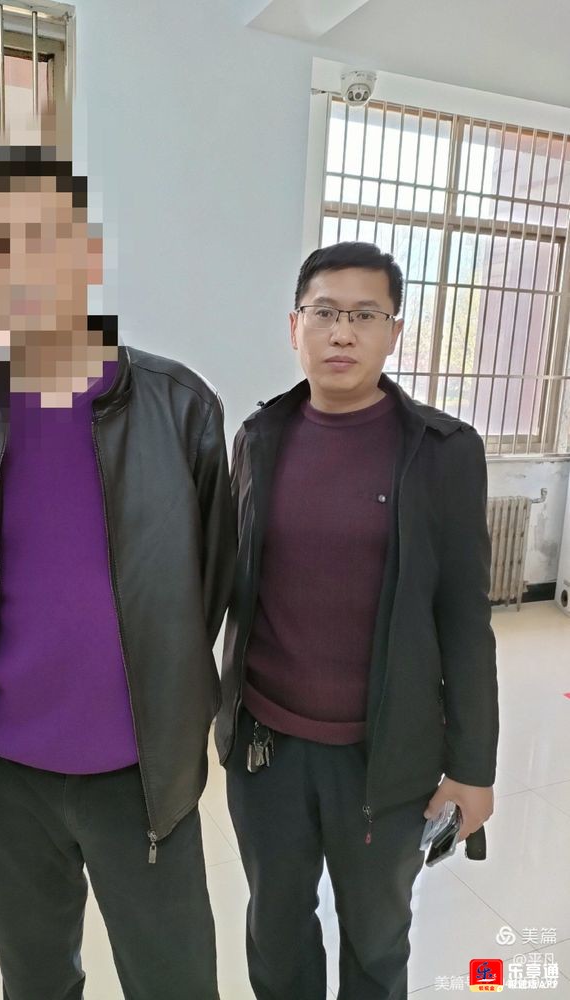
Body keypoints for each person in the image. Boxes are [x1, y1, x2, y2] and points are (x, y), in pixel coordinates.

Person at [0, 141, 235, 1000]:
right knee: (36, 981)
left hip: (143, 776)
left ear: (89, 254)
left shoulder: (181, 408)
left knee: (175, 983)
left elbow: (206, 585)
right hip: (6, 778)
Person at [215, 241, 499, 1000]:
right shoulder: (259, 439)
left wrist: (473, 767)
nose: (342, 332)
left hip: (387, 755)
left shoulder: (442, 452)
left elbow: (465, 619)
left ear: (394, 332)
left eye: (365, 316)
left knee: (376, 938)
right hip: (267, 749)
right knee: (276, 928)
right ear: (294, 327)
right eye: (325, 313)